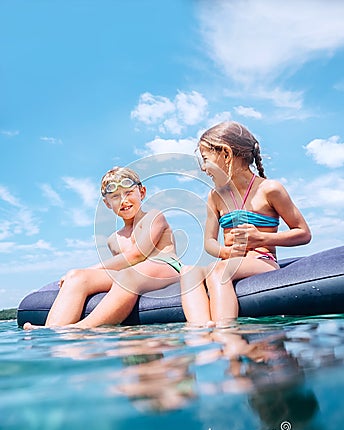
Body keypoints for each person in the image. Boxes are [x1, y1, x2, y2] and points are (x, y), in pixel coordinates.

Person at [181, 121, 311, 326]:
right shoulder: (215, 196)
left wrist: (261, 238)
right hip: (229, 260)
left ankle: (227, 334)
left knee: (219, 272)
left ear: (226, 154)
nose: (204, 168)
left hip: (262, 259)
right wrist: (226, 252)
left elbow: (303, 233)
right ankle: (201, 332)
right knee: (188, 271)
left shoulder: (269, 189)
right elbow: (209, 241)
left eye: (205, 159)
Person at [24, 167, 181, 329]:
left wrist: (92, 268)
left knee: (129, 274)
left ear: (142, 192)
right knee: (76, 276)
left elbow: (137, 255)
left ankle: (82, 327)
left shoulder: (153, 216)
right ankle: (53, 327)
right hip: (131, 276)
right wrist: (83, 273)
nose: (123, 201)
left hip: (166, 267)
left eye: (128, 193)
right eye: (115, 196)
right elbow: (120, 267)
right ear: (107, 203)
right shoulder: (114, 239)